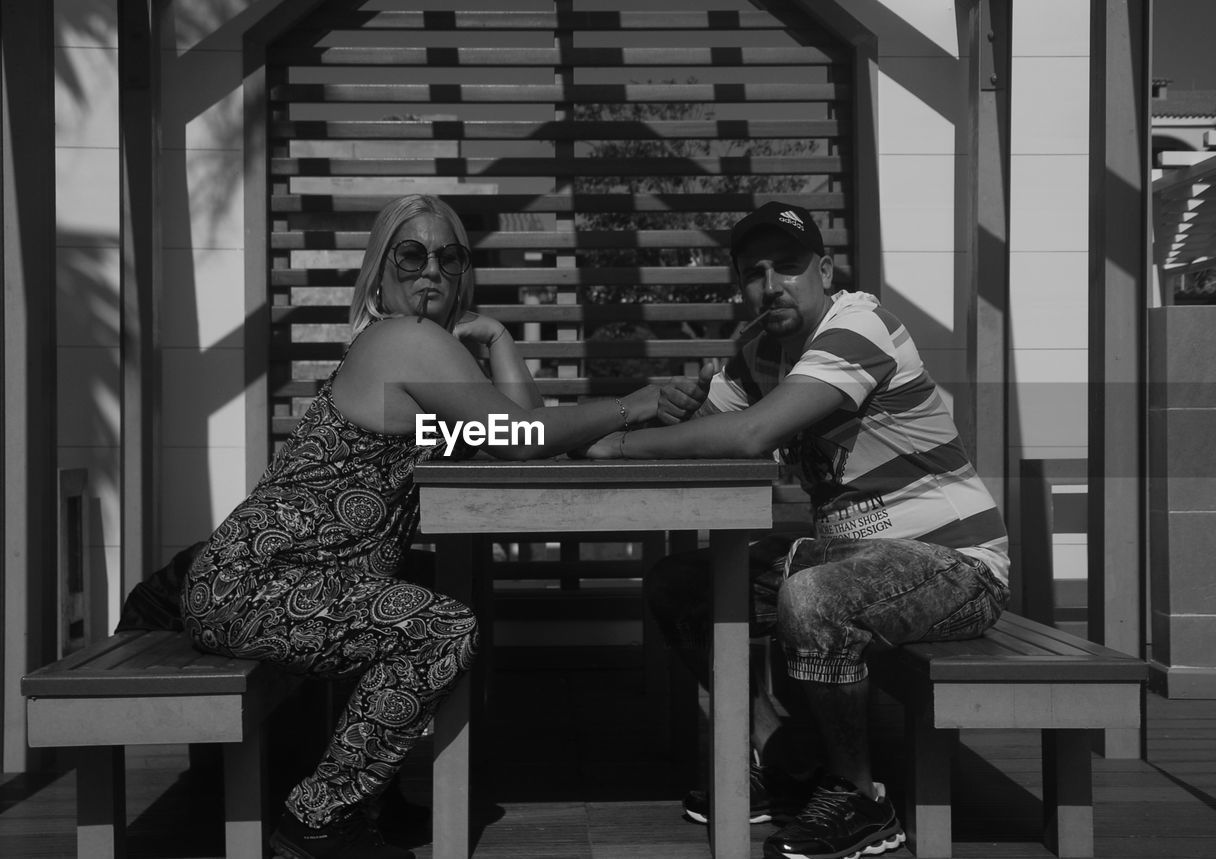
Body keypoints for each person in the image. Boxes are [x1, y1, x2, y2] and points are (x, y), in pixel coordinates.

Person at [182, 194, 659, 859]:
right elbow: (522, 436)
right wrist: (628, 408)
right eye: (411, 254)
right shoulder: (401, 340)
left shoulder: (419, 363)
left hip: (272, 583)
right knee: (440, 628)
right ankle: (317, 820)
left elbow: (518, 430)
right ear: (379, 274)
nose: (431, 270)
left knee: (422, 606)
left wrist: (494, 337)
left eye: (450, 256)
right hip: (253, 583)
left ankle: (364, 802)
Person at [580, 201, 1010, 859]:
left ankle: (863, 799)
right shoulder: (759, 351)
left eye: (788, 266)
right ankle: (779, 753)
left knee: (812, 597)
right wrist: (645, 418)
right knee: (682, 585)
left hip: (953, 562)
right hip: (844, 555)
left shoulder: (858, 325)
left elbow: (751, 433)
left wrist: (623, 447)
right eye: (754, 272)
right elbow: (703, 426)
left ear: (825, 269)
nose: (771, 284)